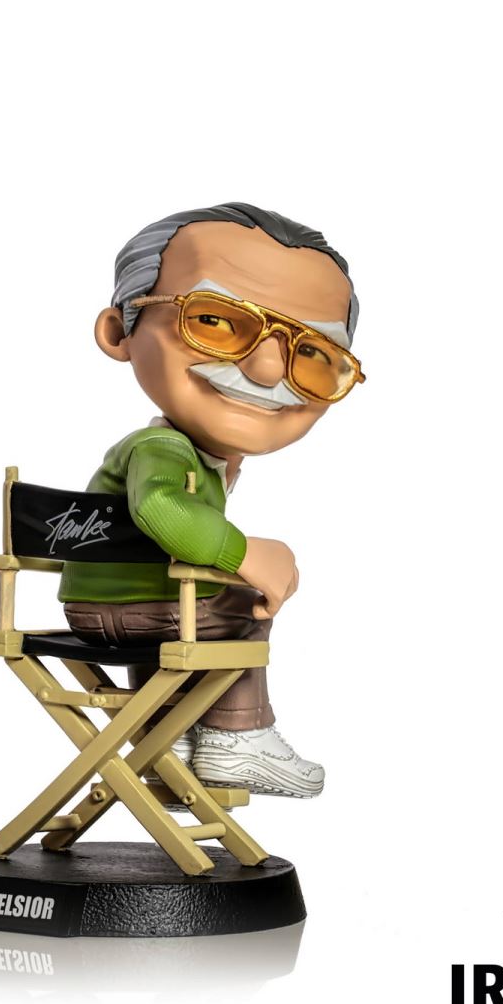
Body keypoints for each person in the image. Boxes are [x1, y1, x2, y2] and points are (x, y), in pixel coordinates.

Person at [59, 202, 364, 798]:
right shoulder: (160, 448)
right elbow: (159, 510)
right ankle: (238, 736)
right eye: (217, 322)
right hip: (123, 612)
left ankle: (164, 736)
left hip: (113, 607)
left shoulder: (190, 456)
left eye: (311, 353)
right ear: (120, 332)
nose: (267, 369)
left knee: (190, 606)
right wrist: (246, 553)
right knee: (243, 608)